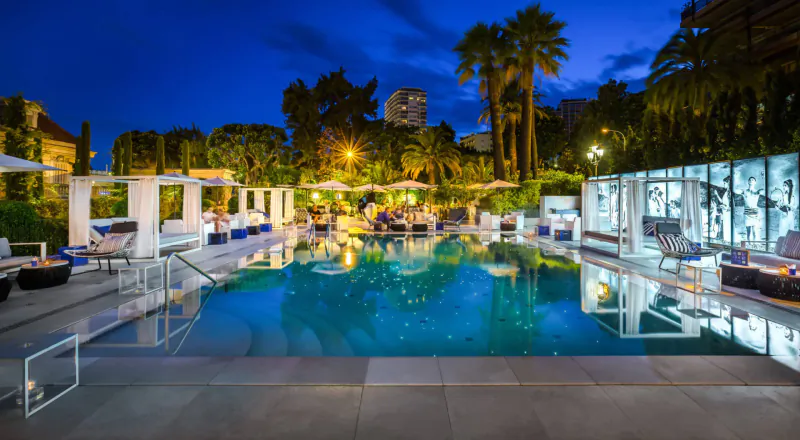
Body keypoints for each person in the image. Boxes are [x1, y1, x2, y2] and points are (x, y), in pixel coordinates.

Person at [735, 176, 765, 241]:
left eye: (753, 180)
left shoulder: (757, 192)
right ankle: (749, 244)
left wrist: (763, 178)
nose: (751, 180)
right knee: (748, 232)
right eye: (750, 180)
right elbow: (736, 190)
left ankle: (753, 244)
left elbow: (763, 190)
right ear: (748, 182)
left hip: (754, 212)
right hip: (747, 212)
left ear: (755, 182)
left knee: (754, 231)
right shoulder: (744, 191)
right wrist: (736, 179)